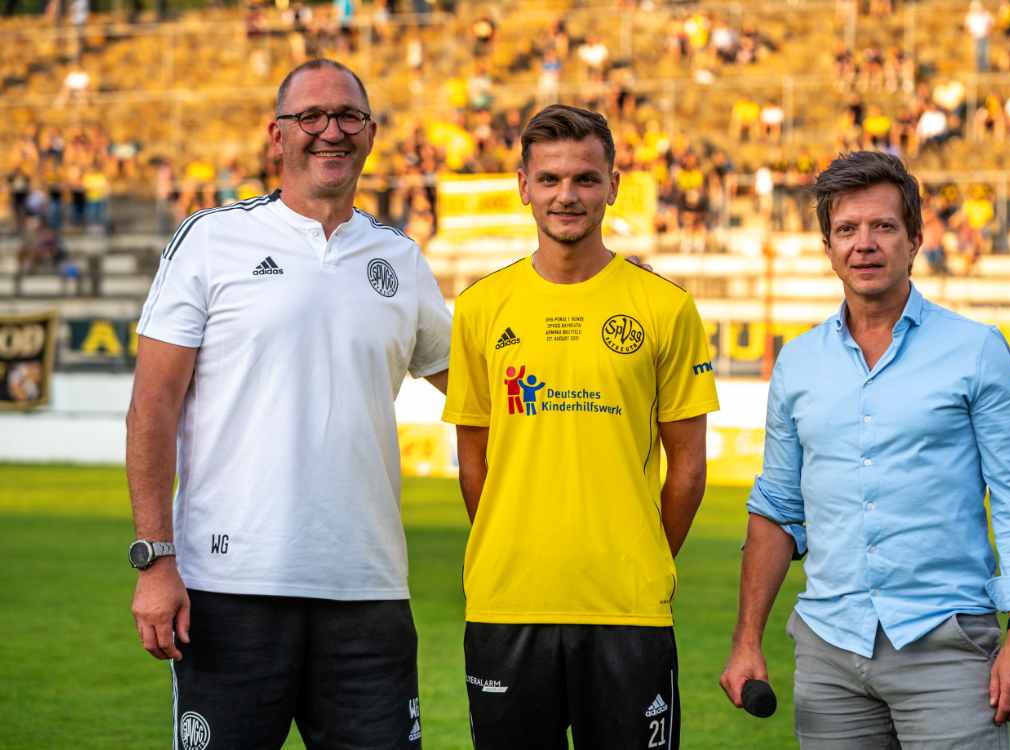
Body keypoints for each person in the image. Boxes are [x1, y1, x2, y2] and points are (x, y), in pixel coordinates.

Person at [125, 59, 450, 749]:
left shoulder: (402, 259)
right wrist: (155, 560)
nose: (329, 131)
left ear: (370, 133)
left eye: (347, 117)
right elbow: (152, 405)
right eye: (311, 117)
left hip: (369, 591)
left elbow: (479, 396)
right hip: (227, 591)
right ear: (277, 135)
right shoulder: (211, 240)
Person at [719, 151, 1010, 749]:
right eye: (847, 230)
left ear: (915, 239)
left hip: (950, 652)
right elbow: (777, 506)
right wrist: (746, 639)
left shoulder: (977, 350)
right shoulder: (798, 363)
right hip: (829, 654)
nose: (865, 244)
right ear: (828, 247)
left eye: (883, 226)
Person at [442, 104, 719, 749]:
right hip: (506, 603)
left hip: (628, 608)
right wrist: (515, 546)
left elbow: (691, 468)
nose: (567, 195)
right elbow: (471, 460)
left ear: (613, 187)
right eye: (550, 179)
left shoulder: (665, 307)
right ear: (524, 187)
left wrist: (641, 556)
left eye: (586, 179)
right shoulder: (481, 307)